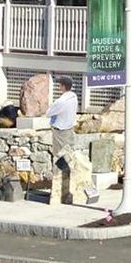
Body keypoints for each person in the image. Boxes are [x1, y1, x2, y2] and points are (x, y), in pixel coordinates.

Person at [46, 76, 95, 205]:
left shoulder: (62, 101)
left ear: (62, 86)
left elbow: (49, 112)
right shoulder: (74, 97)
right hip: (70, 130)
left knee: (59, 160)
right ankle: (68, 190)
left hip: (60, 131)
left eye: (59, 85)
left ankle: (60, 191)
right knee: (70, 158)